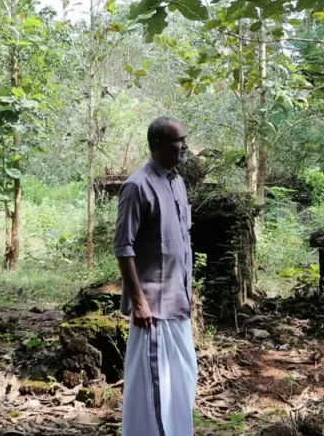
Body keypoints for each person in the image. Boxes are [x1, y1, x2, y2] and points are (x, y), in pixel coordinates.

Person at [114, 116, 197, 436]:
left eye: (185, 139)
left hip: (178, 302)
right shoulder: (137, 186)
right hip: (153, 309)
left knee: (183, 381)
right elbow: (123, 248)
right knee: (155, 389)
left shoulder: (177, 182)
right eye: (179, 140)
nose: (185, 146)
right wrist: (139, 302)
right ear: (158, 144)